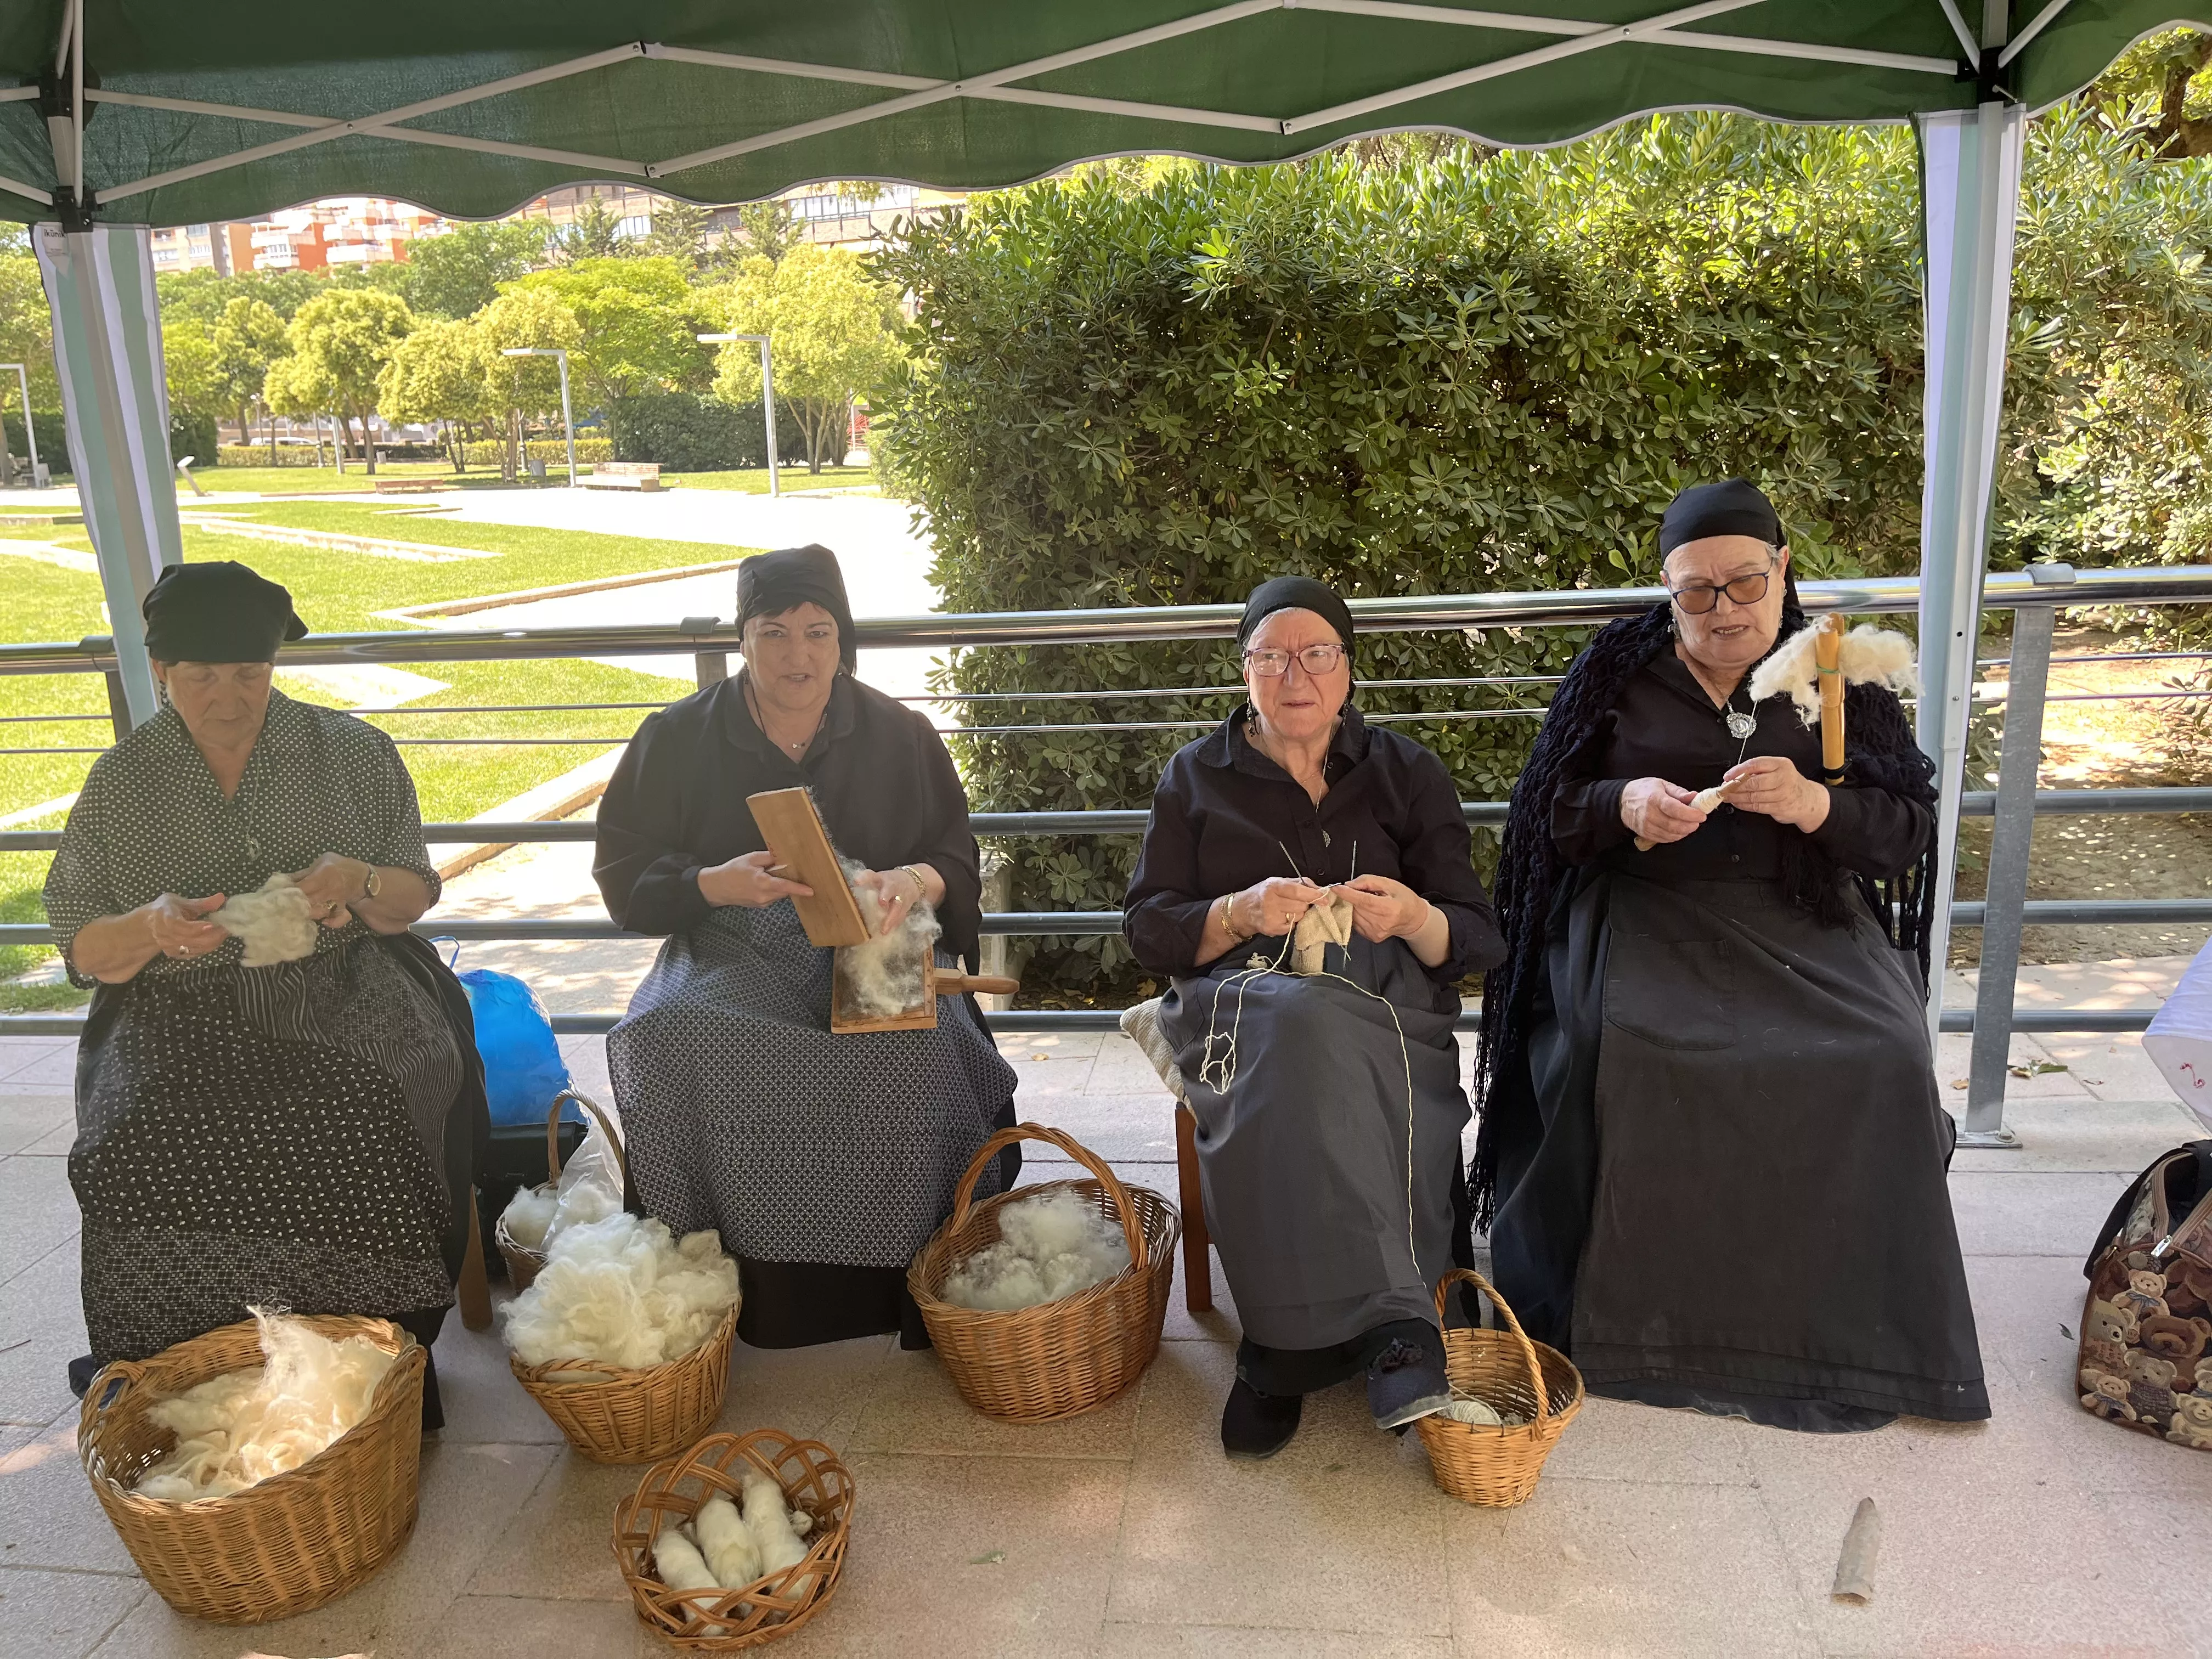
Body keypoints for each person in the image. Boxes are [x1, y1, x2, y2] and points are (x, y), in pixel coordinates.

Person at [1475, 479, 1988, 1431]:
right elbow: (1547, 814)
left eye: (1744, 584)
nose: (1724, 612)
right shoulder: (1618, 670)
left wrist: (1816, 807)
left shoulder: (1840, 668)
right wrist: (1624, 808)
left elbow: (1907, 829)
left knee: (1882, 1053)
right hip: (1647, 911)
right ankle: (1630, 1327)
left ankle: (1839, 1330)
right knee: (1619, 1049)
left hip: (1804, 913)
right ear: (1668, 590)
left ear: (1783, 568)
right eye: (1696, 592)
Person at [43, 561, 485, 1426]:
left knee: (365, 1105)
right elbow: (85, 946)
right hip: (173, 1003)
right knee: (137, 1137)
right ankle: (186, 1366)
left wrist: (356, 878)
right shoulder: (122, 783)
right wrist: (151, 927)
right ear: (161, 671)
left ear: (275, 665)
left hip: (349, 981)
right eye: (201, 677)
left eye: (249, 673)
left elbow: (411, 904)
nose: (229, 697)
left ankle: (373, 1365)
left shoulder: (352, 754)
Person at [594, 544, 1018, 1350]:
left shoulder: (900, 733)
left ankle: (907, 1277)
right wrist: (712, 883)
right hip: (729, 949)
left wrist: (912, 882)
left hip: (873, 945)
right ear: (742, 639)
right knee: (674, 1031)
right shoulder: (678, 737)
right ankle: (738, 1284)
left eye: (819, 632)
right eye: (775, 632)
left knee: (918, 1051)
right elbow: (623, 872)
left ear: (843, 638)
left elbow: (955, 854)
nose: (799, 655)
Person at [1124, 575, 1505, 1459]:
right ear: (1244, 670)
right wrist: (1241, 912)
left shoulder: (1406, 772)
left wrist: (1413, 917)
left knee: (1323, 1038)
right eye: (1272, 656)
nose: (1295, 674)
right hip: (1242, 1005)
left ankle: (1278, 1353)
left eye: (1317, 654)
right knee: (1300, 1031)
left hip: (1388, 1007)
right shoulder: (1195, 776)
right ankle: (1399, 1330)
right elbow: (1149, 929)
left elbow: (1480, 935)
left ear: (1348, 668)